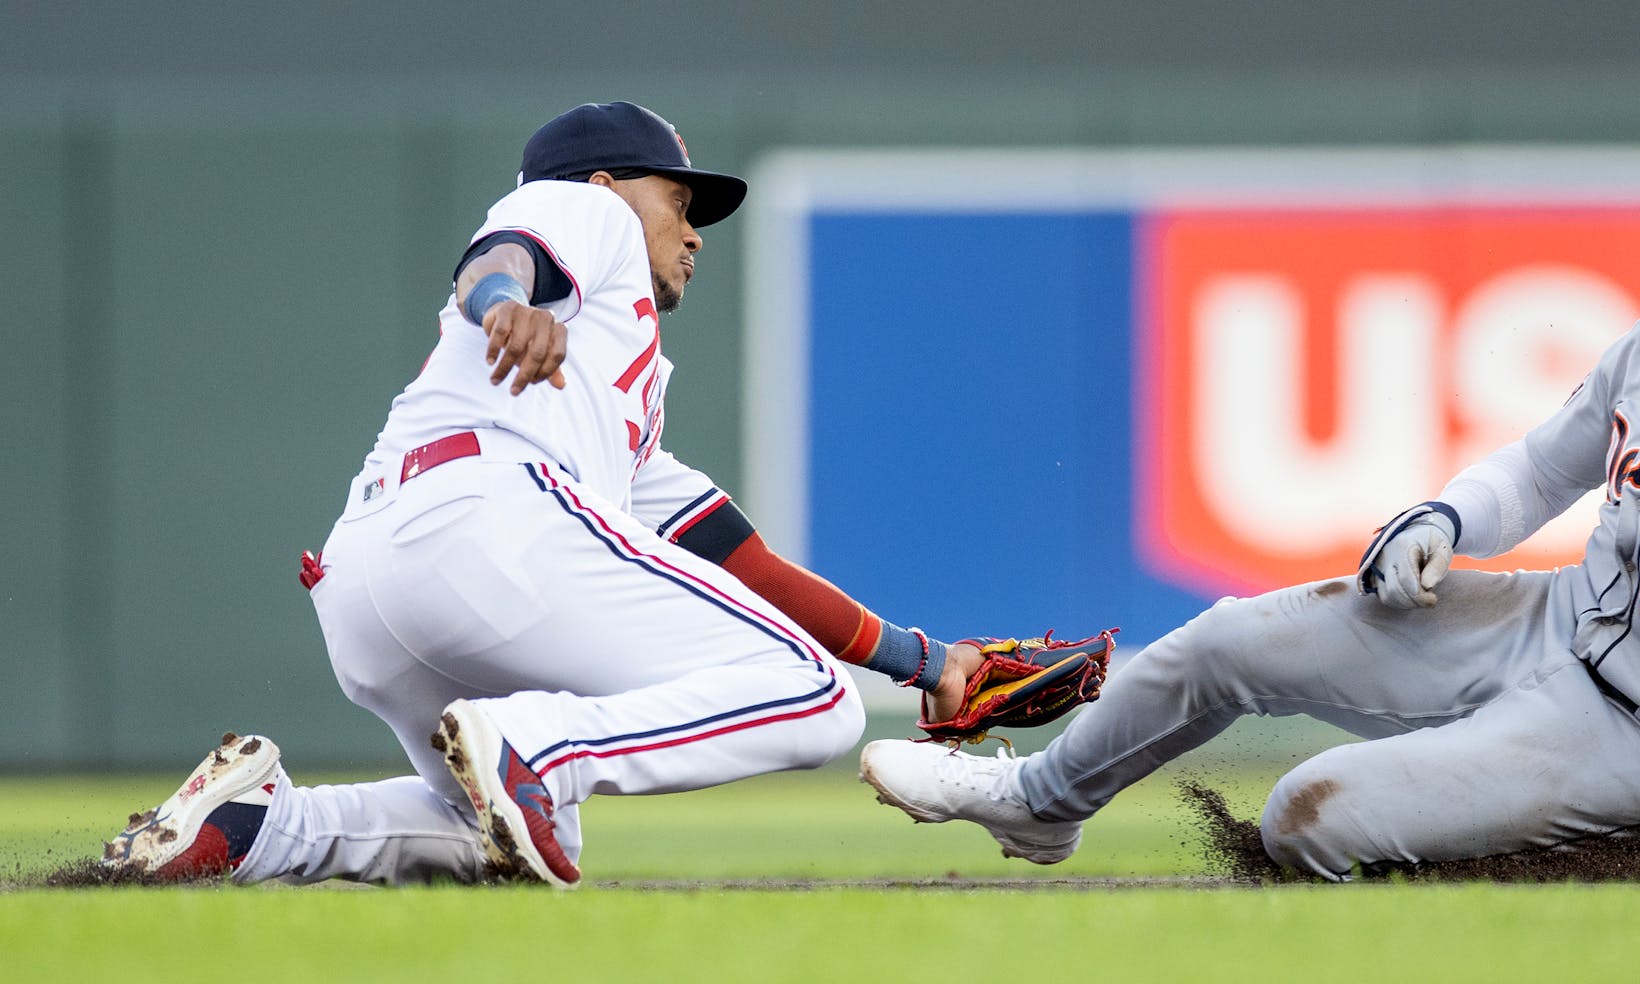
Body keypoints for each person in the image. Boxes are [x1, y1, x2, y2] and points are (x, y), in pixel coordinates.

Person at [860, 98, 1640, 881]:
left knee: (1307, 816)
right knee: (1226, 641)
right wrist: (1447, 516)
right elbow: (1537, 469)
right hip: (1549, 625)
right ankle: (1037, 805)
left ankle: (1542, 871)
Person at [102, 102, 1011, 887]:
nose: (694, 234)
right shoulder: (586, 207)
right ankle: (542, 743)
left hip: (372, 582)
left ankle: (259, 830)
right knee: (816, 700)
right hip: (487, 520)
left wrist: (931, 666)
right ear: (611, 184)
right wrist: (502, 300)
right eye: (680, 203)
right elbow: (502, 254)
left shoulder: (615, 410)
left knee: (492, 836)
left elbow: (745, 564)